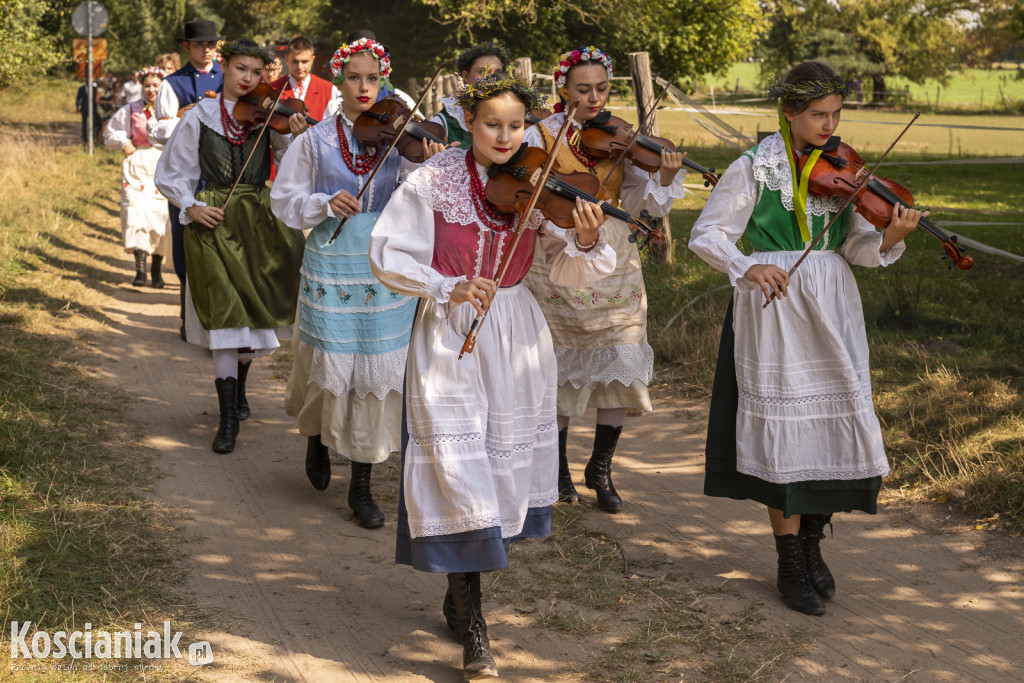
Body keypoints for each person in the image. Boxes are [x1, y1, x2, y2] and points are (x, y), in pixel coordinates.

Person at [369, 73, 615, 681]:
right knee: (459, 468)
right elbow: (388, 252)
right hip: (450, 330)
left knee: (492, 467)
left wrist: (585, 242)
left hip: (514, 333)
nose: (504, 137)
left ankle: (461, 592)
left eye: (515, 126)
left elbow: (566, 270)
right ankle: (475, 627)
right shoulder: (431, 181)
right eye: (491, 124)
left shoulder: (538, 184)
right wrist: (445, 284)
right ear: (468, 123)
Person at [688, 61, 925, 616]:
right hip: (774, 305)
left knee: (831, 422)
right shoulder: (753, 168)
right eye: (818, 114)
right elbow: (707, 234)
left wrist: (890, 234)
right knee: (785, 433)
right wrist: (746, 266)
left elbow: (860, 250)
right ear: (789, 112)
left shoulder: (848, 170)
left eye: (836, 114)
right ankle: (788, 559)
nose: (829, 124)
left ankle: (815, 543)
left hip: (832, 301)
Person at [271, 38, 443, 528]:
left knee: (376, 368)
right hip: (332, 260)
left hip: (387, 262)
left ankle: (361, 485)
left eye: (373, 79)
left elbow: (423, 198)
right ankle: (318, 436)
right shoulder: (315, 140)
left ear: (383, 80)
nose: (364, 88)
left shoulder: (401, 135)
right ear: (339, 81)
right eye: (354, 78)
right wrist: (323, 204)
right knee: (330, 358)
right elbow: (284, 202)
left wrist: (426, 163)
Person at [523, 46, 686, 513]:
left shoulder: (621, 138)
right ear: (562, 89)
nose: (594, 98)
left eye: (601, 88)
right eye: (582, 89)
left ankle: (601, 467)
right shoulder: (540, 134)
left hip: (613, 252)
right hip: (555, 253)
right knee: (558, 363)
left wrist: (664, 179)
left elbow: (640, 204)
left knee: (621, 353)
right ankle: (557, 473)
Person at [155, 39, 309, 454]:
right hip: (214, 221)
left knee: (251, 320)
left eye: (257, 73)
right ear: (225, 66)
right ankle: (227, 422)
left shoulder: (267, 116)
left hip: (259, 223)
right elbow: (171, 172)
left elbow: (294, 167)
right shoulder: (200, 117)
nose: (249, 79)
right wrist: (190, 207)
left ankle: (240, 387)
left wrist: (293, 138)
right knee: (225, 322)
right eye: (241, 69)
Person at [154, 18, 224, 340]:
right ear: (187, 47)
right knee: (184, 253)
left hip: (222, 176)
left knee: (221, 253)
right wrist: (188, 116)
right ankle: (187, 318)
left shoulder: (230, 77)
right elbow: (161, 132)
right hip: (187, 179)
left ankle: (218, 321)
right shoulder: (172, 83)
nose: (206, 49)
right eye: (199, 44)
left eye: (211, 44)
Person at [103, 66, 171, 287]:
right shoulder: (131, 109)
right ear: (142, 86)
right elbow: (111, 130)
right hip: (137, 166)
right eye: (147, 85)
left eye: (156, 86)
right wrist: (124, 142)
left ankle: (157, 271)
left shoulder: (170, 110)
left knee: (161, 217)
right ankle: (140, 271)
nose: (151, 90)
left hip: (162, 165)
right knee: (136, 214)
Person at [429, 41, 513, 148]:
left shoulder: (514, 111)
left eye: (498, 72)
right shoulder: (444, 122)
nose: (492, 77)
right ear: (465, 76)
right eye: (482, 71)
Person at [271, 34, 339, 121]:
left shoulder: (330, 90)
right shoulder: (272, 89)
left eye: (304, 61)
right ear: (287, 60)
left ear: (312, 60)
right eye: (295, 61)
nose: (300, 67)